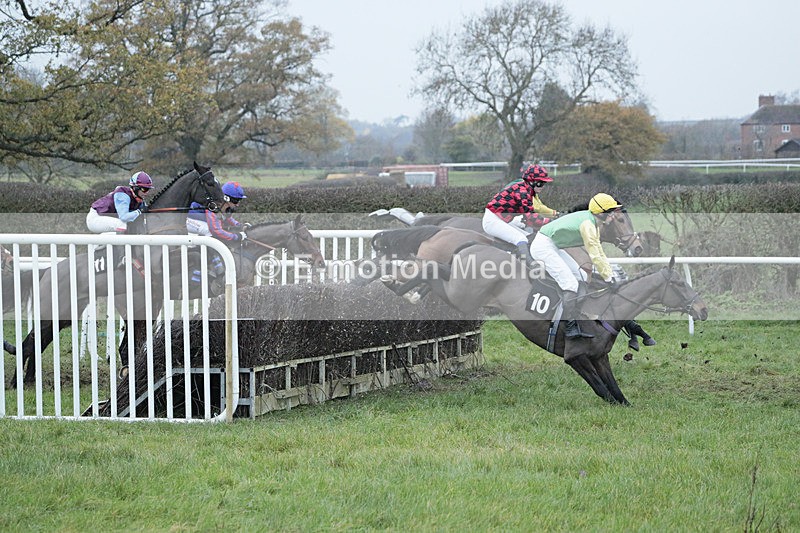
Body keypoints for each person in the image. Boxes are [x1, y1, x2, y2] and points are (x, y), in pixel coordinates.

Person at [530, 192, 623, 339]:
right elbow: (595, 255)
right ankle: (568, 327)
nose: (613, 216)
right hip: (543, 247)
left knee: (582, 275)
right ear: (601, 213)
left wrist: (609, 275)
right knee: (571, 284)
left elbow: (599, 251)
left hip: (553, 245)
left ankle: (576, 313)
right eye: (610, 212)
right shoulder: (588, 225)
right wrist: (608, 277)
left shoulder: (594, 223)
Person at [482, 163, 560, 266]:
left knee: (528, 237)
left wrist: (550, 218)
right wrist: (549, 222)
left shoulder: (527, 190)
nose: (543, 186)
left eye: (544, 183)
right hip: (492, 221)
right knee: (521, 238)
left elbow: (532, 215)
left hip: (502, 219)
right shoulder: (522, 191)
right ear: (532, 182)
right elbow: (531, 218)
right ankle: (530, 264)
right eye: (540, 183)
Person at [186, 181, 249, 277]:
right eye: (236, 201)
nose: (238, 204)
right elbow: (216, 231)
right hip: (189, 219)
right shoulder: (214, 204)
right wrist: (236, 237)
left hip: (200, 218)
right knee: (208, 231)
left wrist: (239, 225)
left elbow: (226, 217)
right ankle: (215, 266)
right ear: (226, 198)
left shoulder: (222, 203)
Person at [86, 171, 153, 233]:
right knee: (121, 225)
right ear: (135, 188)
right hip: (95, 219)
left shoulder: (138, 198)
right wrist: (139, 211)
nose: (147, 193)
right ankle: (100, 242)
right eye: (144, 189)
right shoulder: (123, 195)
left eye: (148, 189)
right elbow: (124, 217)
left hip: (107, 218)